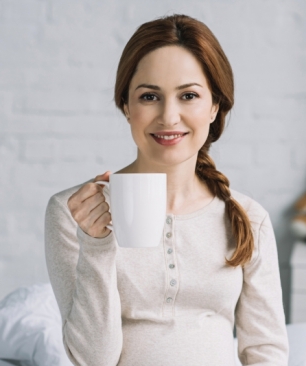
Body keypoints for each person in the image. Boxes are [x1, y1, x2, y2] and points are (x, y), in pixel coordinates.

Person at [44, 14, 289, 366]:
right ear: (126, 106)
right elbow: (92, 360)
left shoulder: (249, 218)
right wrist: (96, 246)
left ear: (215, 106)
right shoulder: (75, 212)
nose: (169, 116)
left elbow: (266, 352)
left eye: (188, 95)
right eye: (149, 96)